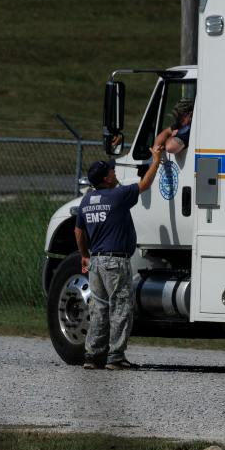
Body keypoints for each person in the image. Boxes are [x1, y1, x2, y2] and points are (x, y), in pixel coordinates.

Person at [75, 130, 167, 370]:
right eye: (111, 171)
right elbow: (145, 184)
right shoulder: (118, 195)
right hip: (116, 262)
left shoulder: (86, 201)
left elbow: (78, 231)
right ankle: (116, 357)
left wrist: (85, 254)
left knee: (99, 309)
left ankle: (92, 356)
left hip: (96, 261)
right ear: (106, 179)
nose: (114, 172)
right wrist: (156, 160)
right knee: (121, 308)